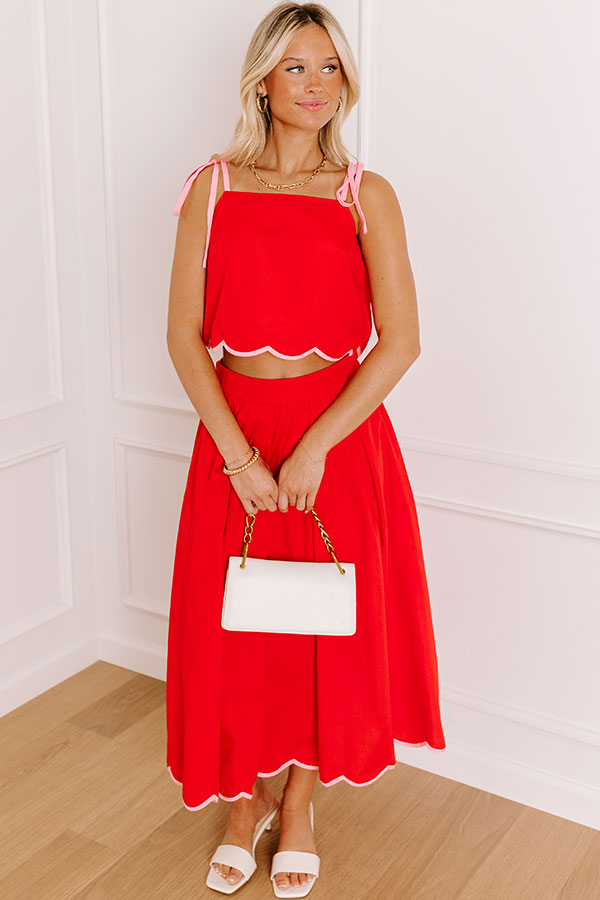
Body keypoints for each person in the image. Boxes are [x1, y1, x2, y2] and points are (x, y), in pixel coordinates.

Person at [166, 2, 446, 895]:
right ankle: (240, 802)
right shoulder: (211, 187)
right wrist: (240, 457)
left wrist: (316, 446)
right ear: (261, 80)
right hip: (234, 433)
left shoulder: (367, 194)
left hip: (341, 439)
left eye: (330, 68)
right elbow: (182, 339)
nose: (316, 85)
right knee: (238, 630)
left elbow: (400, 342)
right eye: (296, 67)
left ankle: (299, 801)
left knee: (321, 629)